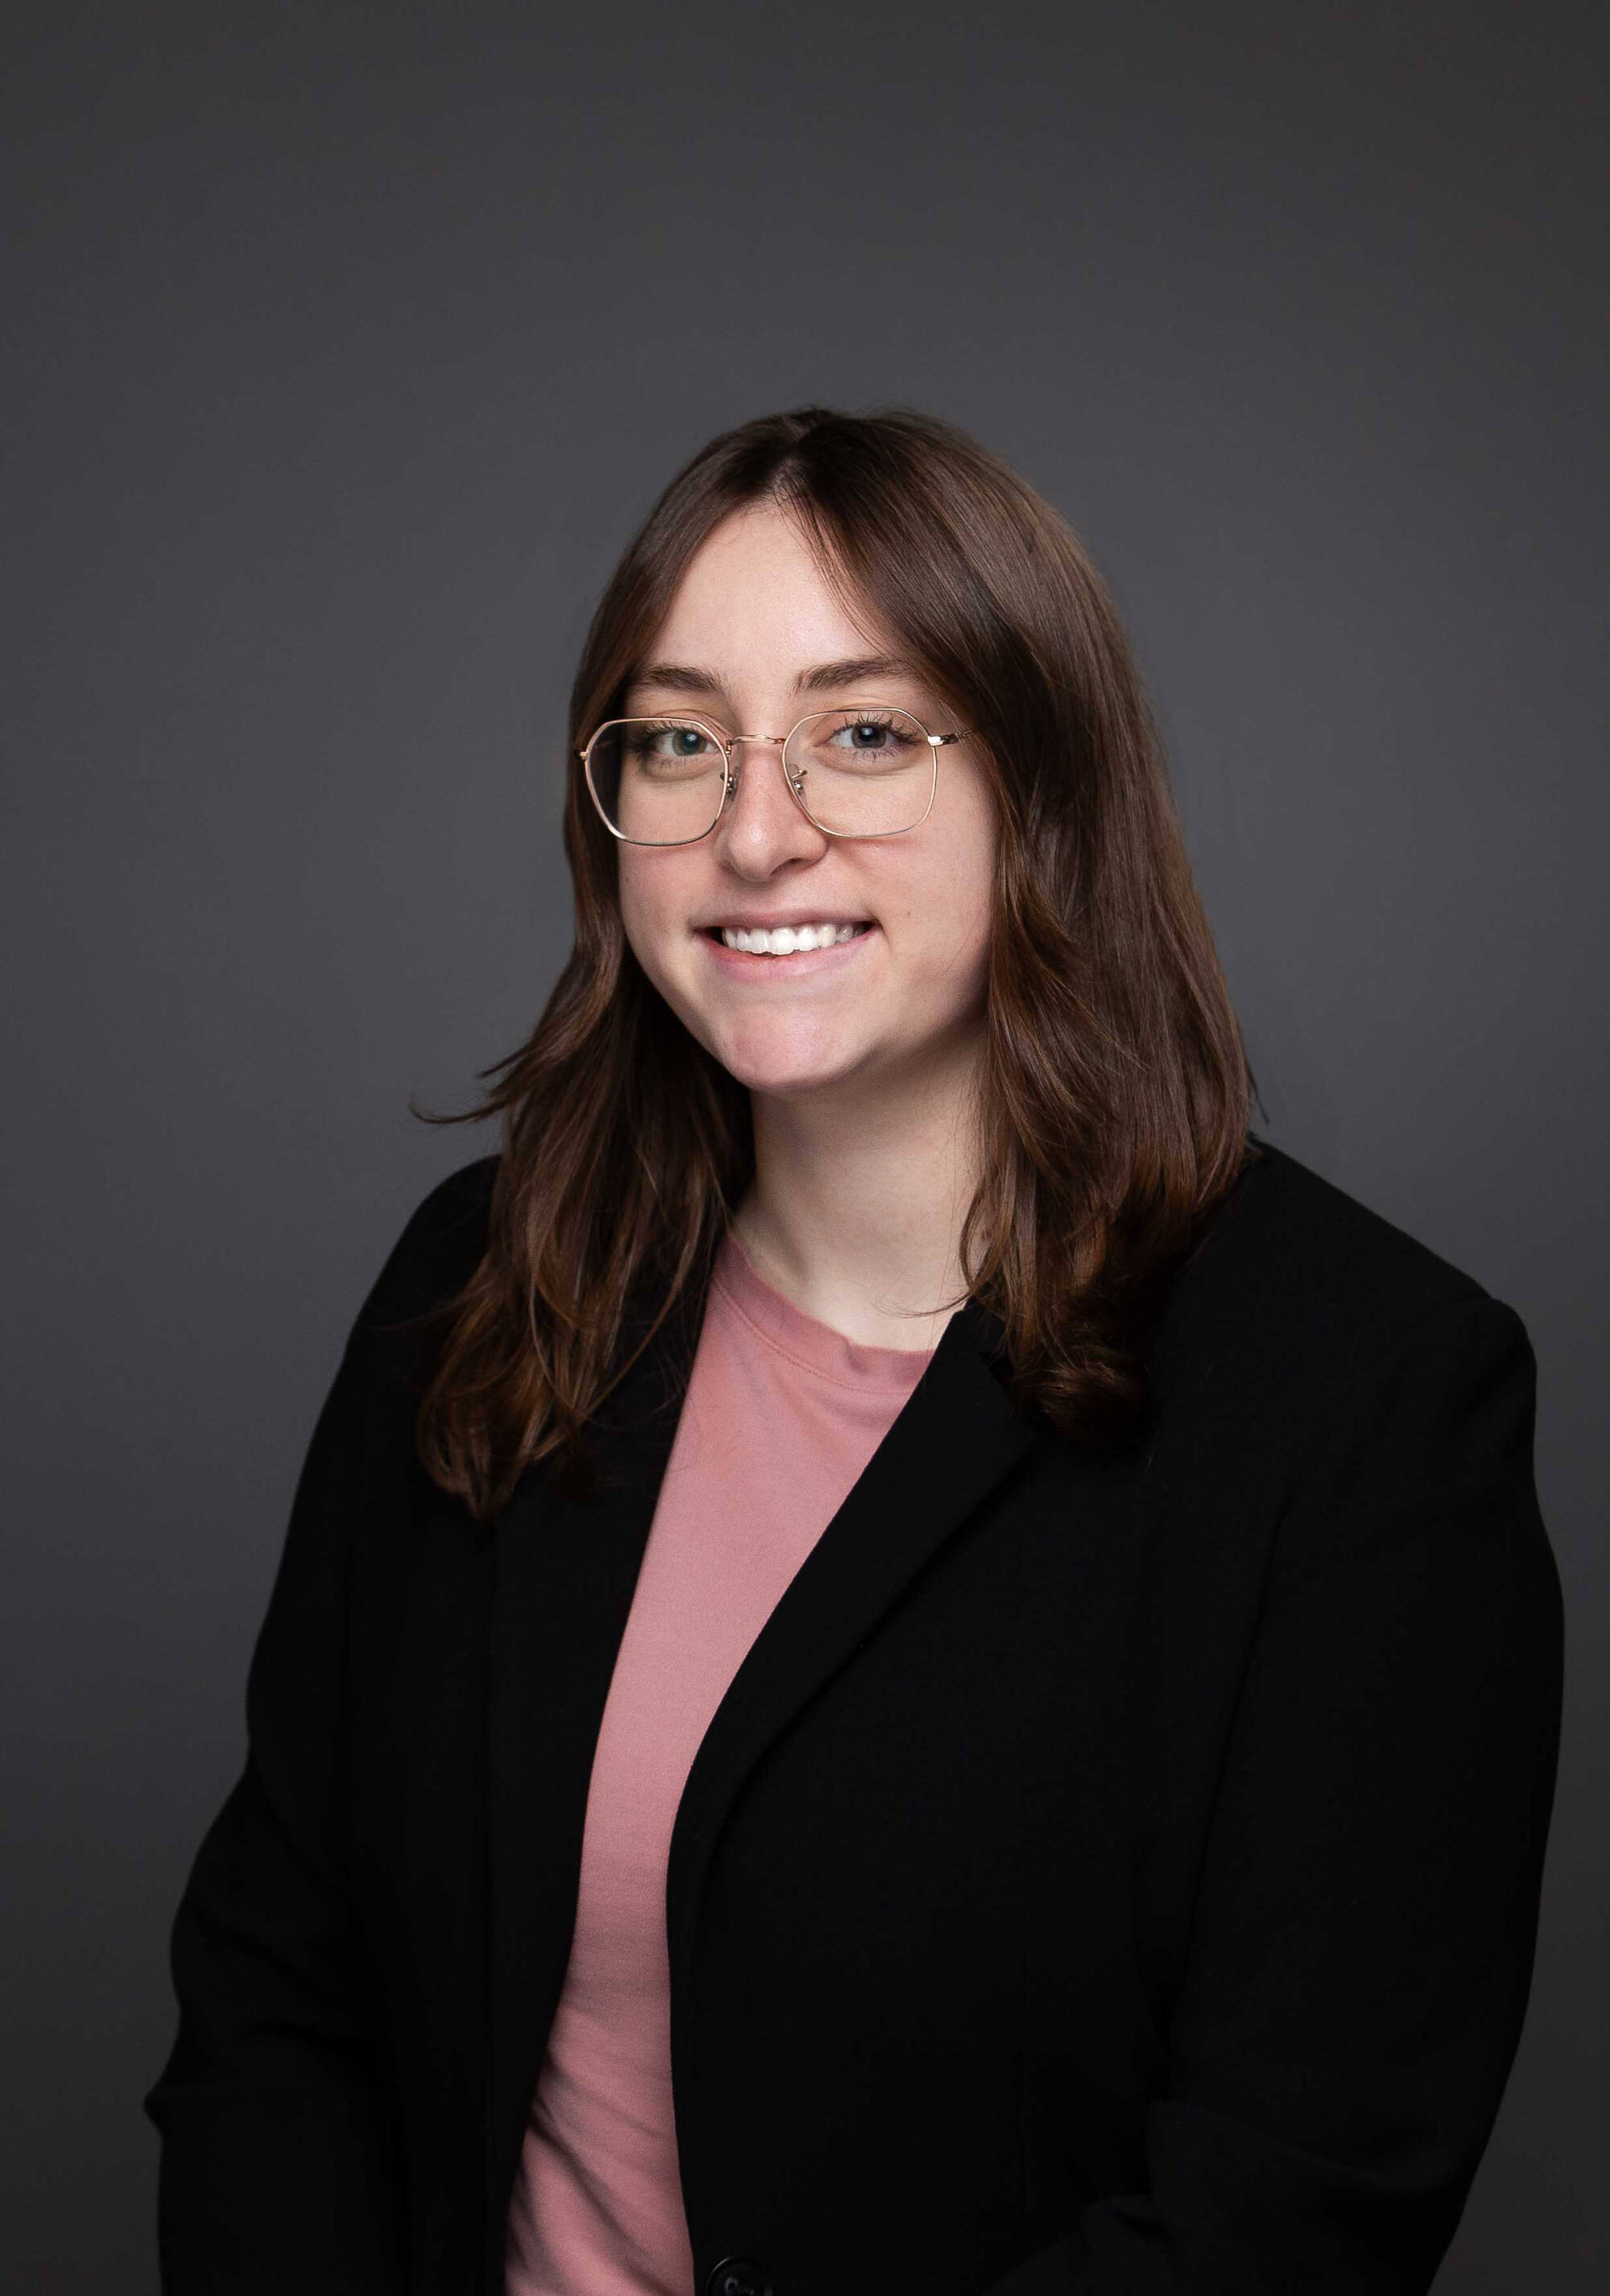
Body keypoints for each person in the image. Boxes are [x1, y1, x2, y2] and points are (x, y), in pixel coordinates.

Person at [143, 404, 1565, 2296]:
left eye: (866, 735)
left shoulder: (1368, 1403)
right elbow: (276, 1988)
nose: (754, 831)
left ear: (1043, 791)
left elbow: (1290, 2204)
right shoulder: (486, 1279)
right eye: (680, 739)